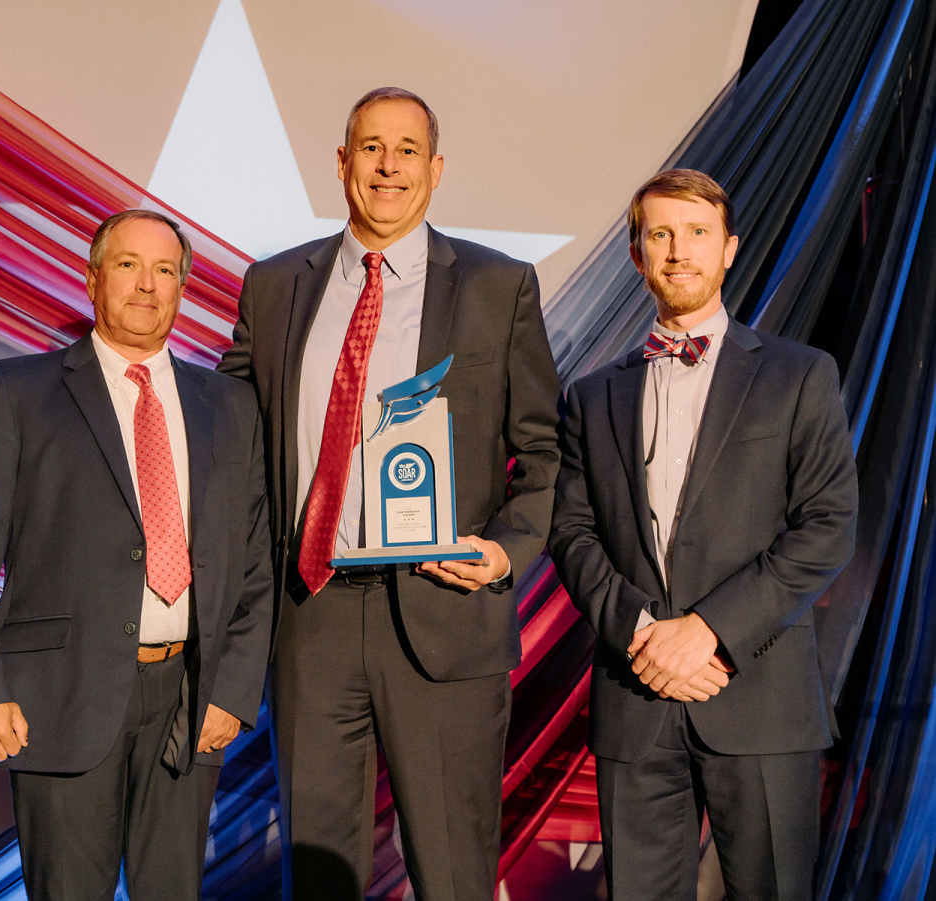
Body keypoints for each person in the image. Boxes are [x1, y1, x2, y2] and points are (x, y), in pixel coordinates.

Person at [218, 87, 561, 899]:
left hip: (445, 610)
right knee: (321, 869)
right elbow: (229, 444)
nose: (387, 166)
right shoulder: (273, 287)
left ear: (435, 170)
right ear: (342, 163)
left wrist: (506, 551)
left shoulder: (496, 285)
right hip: (313, 615)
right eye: (370, 147)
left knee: (451, 870)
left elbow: (547, 452)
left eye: (406, 150)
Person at [0, 209, 272, 901]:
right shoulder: (20, 390)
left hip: (187, 698)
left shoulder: (232, 405)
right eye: (128, 265)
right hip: (59, 696)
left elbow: (255, 562)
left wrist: (233, 690)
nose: (147, 285)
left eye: (166, 270)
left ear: (182, 287)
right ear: (92, 279)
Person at [548, 168, 859, 900]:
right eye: (660, 234)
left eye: (696, 233)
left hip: (760, 695)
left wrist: (708, 630)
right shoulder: (591, 396)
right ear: (638, 254)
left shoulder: (799, 374)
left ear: (728, 250)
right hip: (637, 696)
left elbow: (827, 525)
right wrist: (644, 632)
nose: (678, 249)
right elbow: (571, 530)